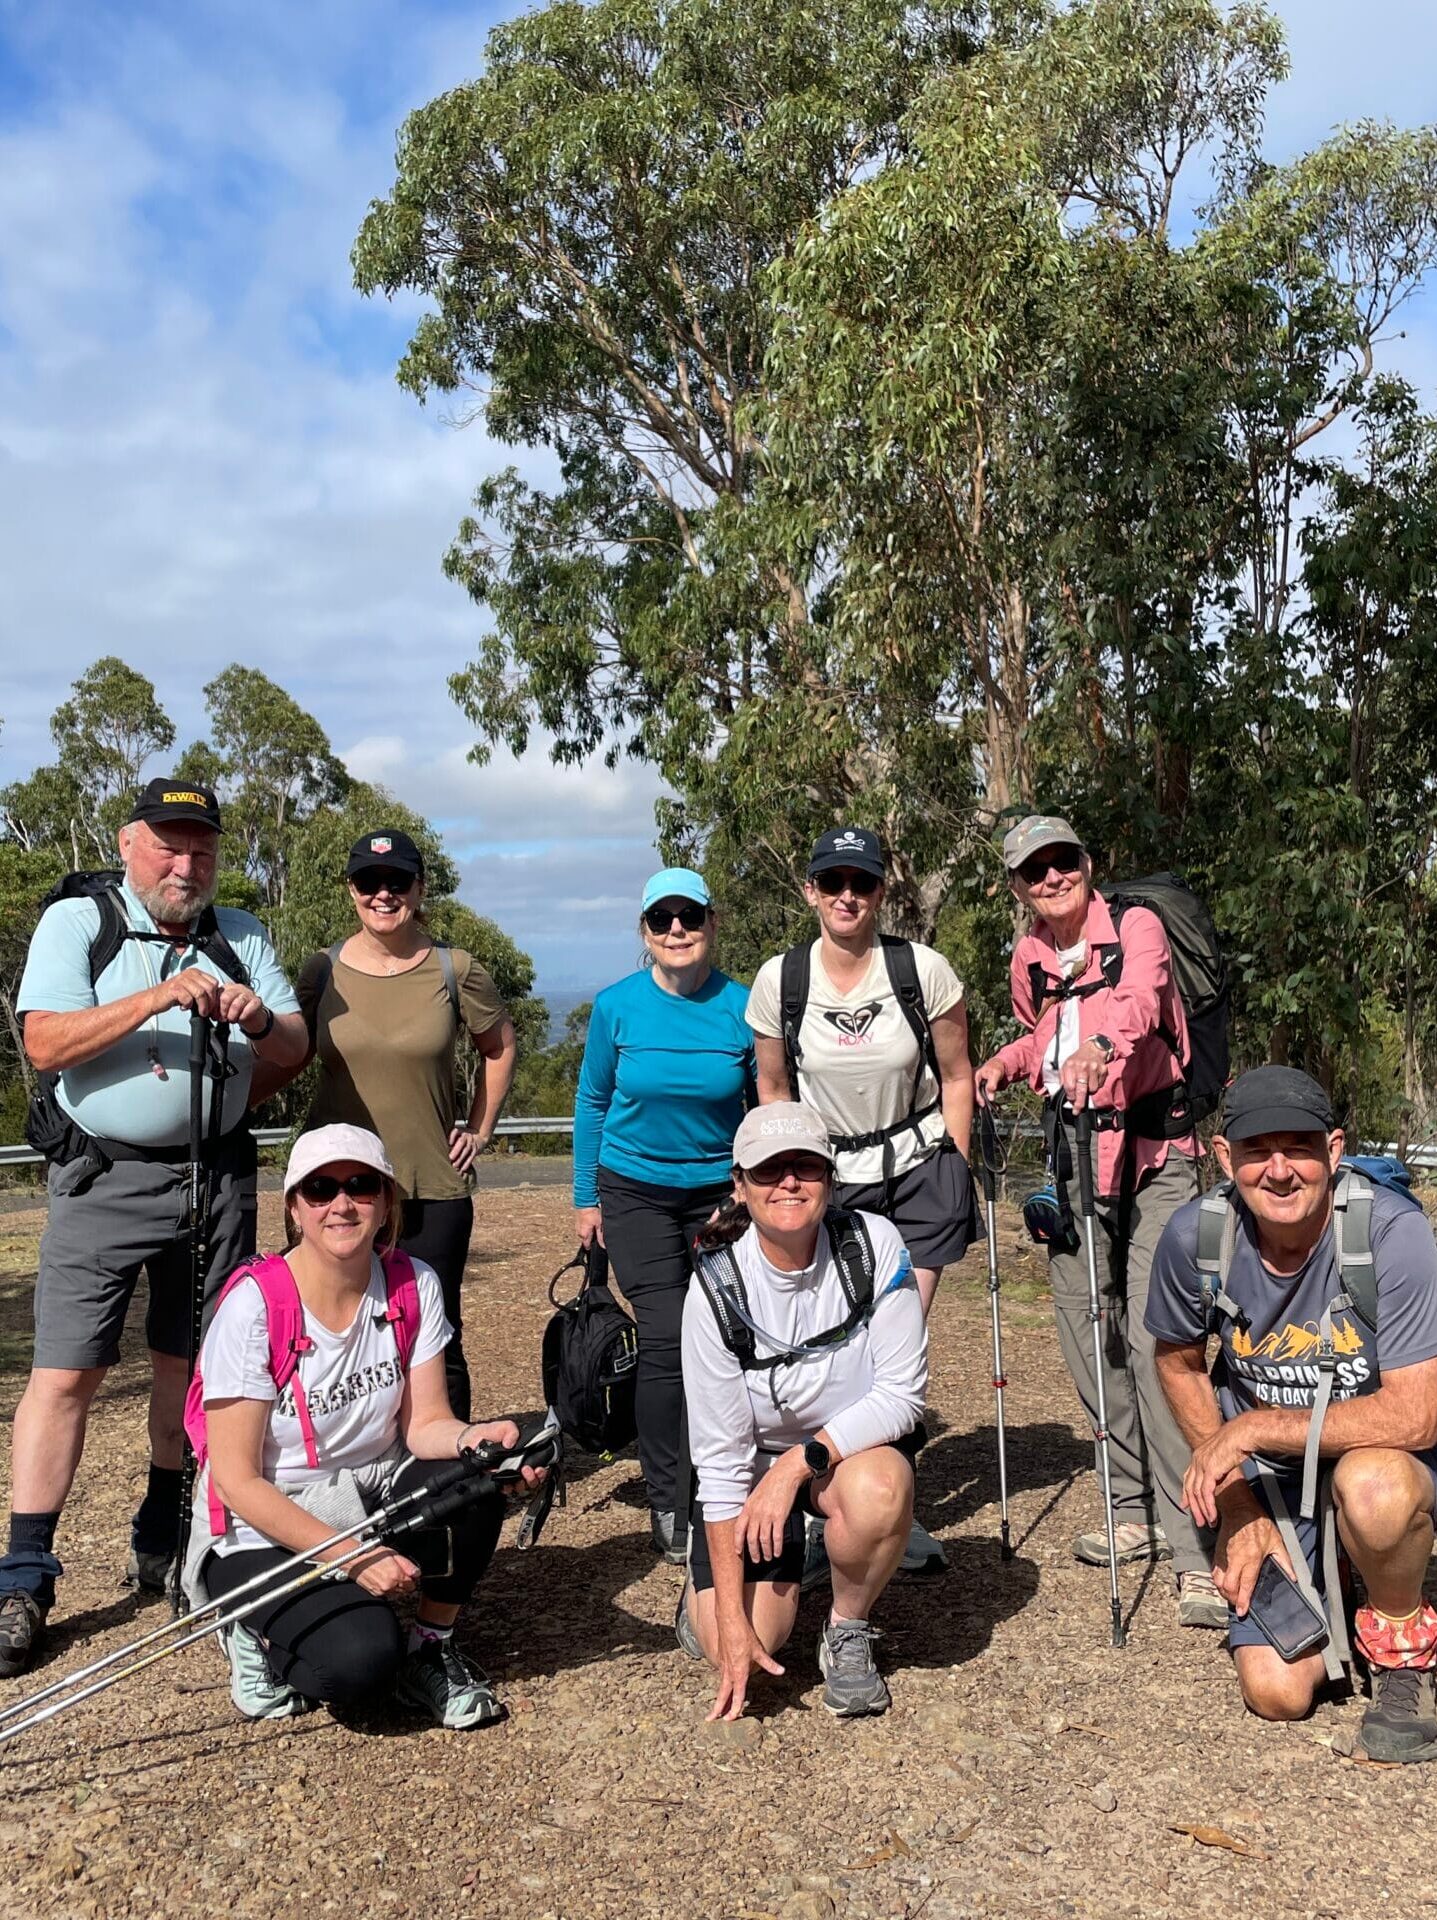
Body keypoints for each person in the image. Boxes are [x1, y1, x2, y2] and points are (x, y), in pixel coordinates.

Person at [2, 778, 307, 1675]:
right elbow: (45, 1043)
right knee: (67, 1372)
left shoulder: (240, 935)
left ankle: (167, 1535)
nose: (186, 864)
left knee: (197, 1366)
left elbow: (292, 1049)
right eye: (169, 846)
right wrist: (161, 997)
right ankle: (24, 1574)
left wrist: (255, 1014)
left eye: (202, 849)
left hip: (214, 1179)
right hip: (104, 1177)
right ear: (130, 843)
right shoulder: (80, 923)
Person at [185, 1123, 543, 1727]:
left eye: (361, 1186)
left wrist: (476, 1442)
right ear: (295, 1208)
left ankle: (431, 1646)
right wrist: (353, 1559)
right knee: (359, 1665)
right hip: (260, 1523)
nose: (342, 1204)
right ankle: (253, 1630)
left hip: (367, 1494)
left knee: (476, 1478)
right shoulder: (253, 1305)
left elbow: (427, 1423)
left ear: (386, 1204)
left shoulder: (413, 1283)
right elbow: (236, 1483)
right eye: (320, 1189)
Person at [972, 814, 1222, 1627]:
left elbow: (1141, 1007)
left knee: (1158, 1343)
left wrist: (1100, 1053)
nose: (1050, 879)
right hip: (1074, 1161)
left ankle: (1195, 1549)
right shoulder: (1030, 957)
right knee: (1089, 1339)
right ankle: (1128, 1507)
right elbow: (1041, 1032)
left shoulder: (1138, 928)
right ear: (1016, 888)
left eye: (1061, 863)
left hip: (1156, 1157)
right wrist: (1005, 1066)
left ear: (1087, 864)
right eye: (1032, 872)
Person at [1147, 1067, 1437, 1761]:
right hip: (1272, 1480)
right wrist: (1238, 1502)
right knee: (1277, 1693)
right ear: (1223, 1157)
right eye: (1256, 1150)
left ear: (1333, 1151)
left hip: (1382, 1456)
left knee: (1371, 1490)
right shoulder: (1196, 1238)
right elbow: (1177, 1361)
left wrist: (1251, 1428)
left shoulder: (1392, 1235)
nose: (1279, 1171)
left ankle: (1402, 1654)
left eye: (1299, 1147)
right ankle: (1334, 1568)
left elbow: (1416, 1416)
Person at [746, 825, 974, 1573]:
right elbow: (772, 1086)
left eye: (863, 883)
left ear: (881, 892)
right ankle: (830, 1502)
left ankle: (889, 1510)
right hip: (829, 1178)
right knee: (834, 1345)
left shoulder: (922, 970)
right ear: (810, 890)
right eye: (832, 881)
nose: (848, 896)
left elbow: (957, 1074)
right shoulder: (781, 980)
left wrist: (955, 1164)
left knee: (891, 1346)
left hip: (916, 1170)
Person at [678, 1104, 925, 1721]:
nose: (788, 1182)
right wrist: (732, 1621)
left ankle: (848, 1627)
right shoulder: (714, 1286)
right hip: (750, 1464)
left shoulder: (873, 1246)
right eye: (767, 1170)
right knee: (746, 1641)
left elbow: (902, 1395)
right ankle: (705, 1596)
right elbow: (719, 1459)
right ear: (739, 1185)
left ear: (830, 1178)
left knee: (882, 1487)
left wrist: (794, 1468)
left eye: (805, 1166)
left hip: (838, 1456)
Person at [272, 828, 516, 1423]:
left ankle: (445, 1480)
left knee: (434, 1340)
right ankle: (340, 1471)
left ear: (420, 888)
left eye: (396, 881)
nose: (383, 894)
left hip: (430, 1185)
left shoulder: (456, 970)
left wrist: (480, 1129)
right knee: (323, 1338)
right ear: (351, 890)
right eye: (368, 882)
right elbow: (285, 1054)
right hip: (332, 1192)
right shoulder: (320, 972)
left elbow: (500, 1045)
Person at [573, 868, 755, 1561]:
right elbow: (592, 1102)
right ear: (644, 932)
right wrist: (585, 1197)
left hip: (718, 1195)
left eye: (689, 916)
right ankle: (668, 1496)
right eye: (661, 919)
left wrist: (747, 1191)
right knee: (667, 1335)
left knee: (729, 1334)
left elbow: (761, 1105)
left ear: (711, 924)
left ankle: (727, 1479)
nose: (675, 929)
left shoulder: (743, 1006)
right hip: (635, 1191)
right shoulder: (616, 1007)